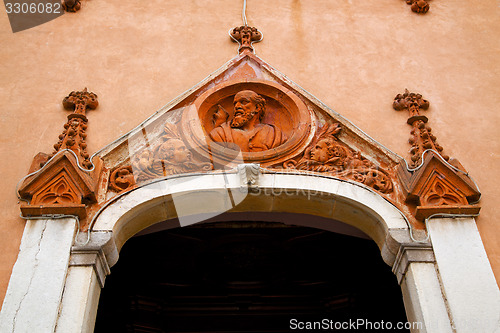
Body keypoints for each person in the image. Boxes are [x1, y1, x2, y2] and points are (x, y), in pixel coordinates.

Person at [209, 90, 286, 152]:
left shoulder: (275, 134)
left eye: (244, 102)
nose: (237, 106)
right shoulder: (221, 133)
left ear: (257, 107)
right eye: (235, 103)